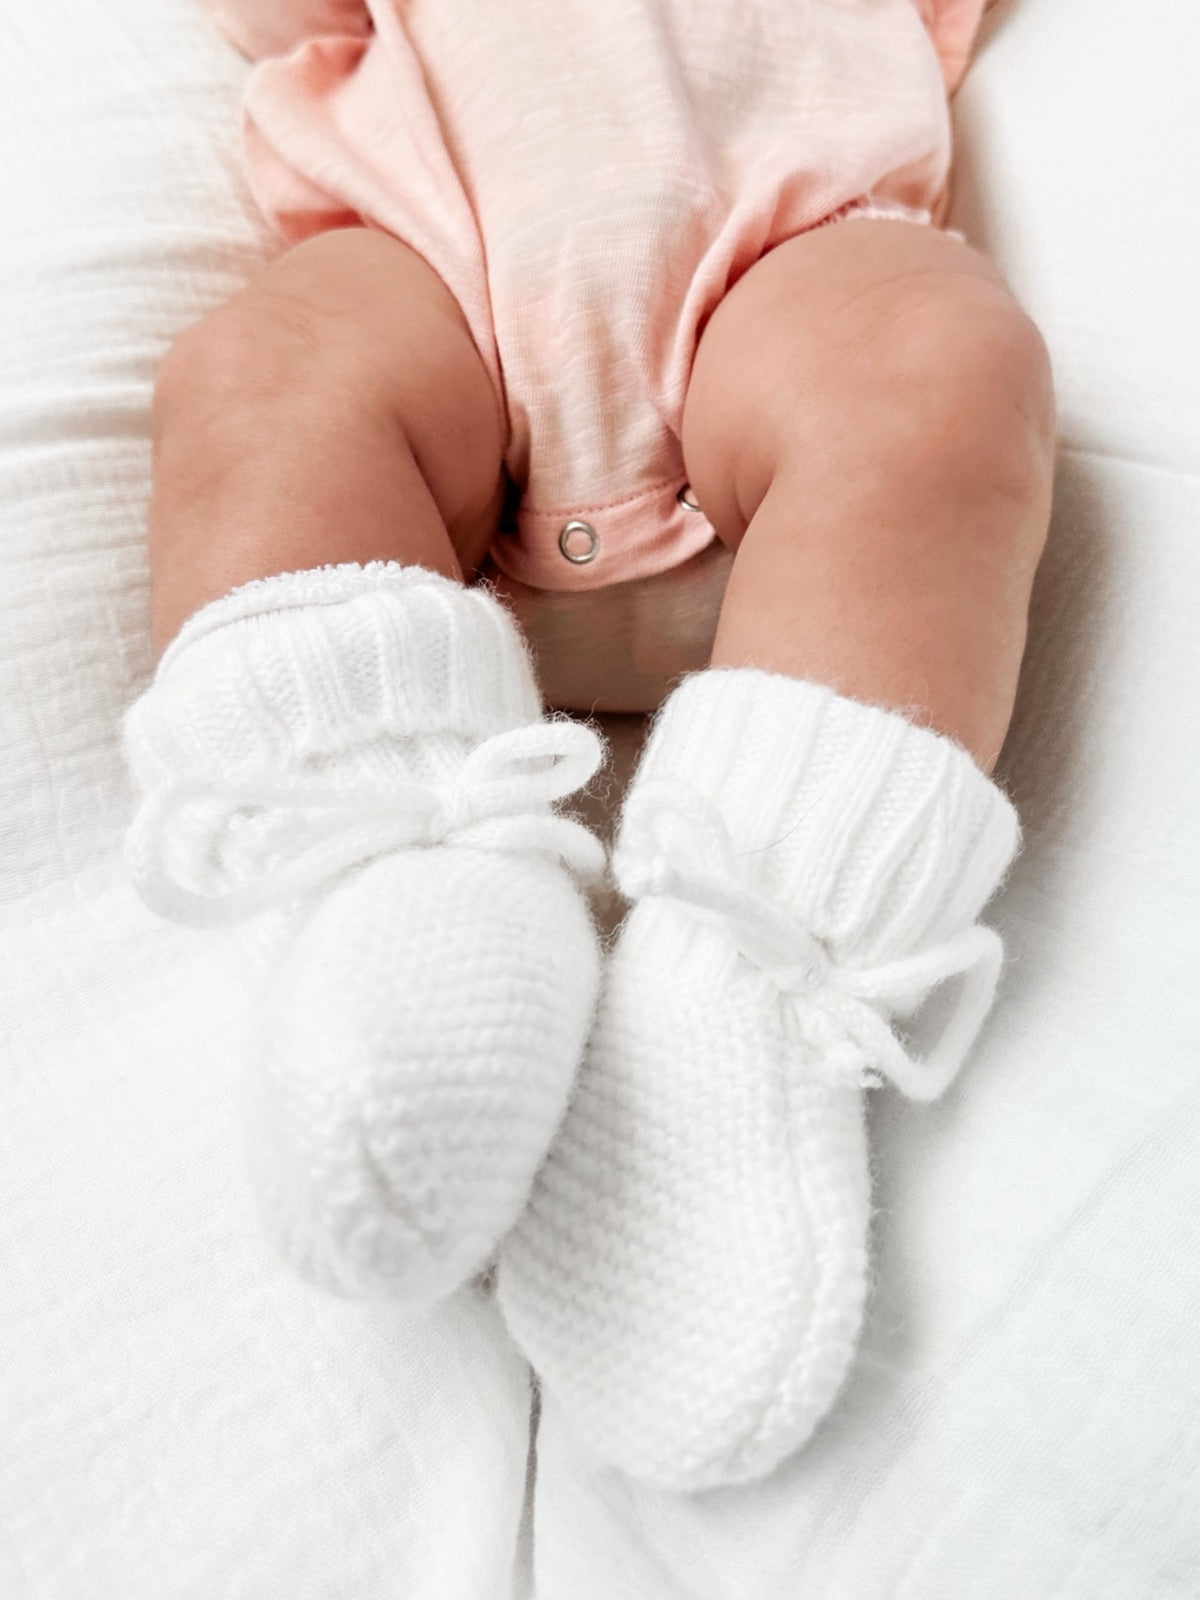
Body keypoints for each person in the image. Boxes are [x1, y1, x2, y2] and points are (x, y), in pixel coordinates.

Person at [121, 0, 1055, 1491]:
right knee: (258, 378)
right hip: (436, 300)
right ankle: (407, 890)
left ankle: (741, 979)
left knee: (941, 367)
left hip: (782, 283)